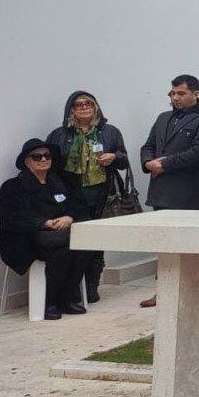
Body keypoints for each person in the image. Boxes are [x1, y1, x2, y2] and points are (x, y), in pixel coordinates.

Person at [140, 73, 199, 314]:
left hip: (187, 191)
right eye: (172, 93)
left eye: (181, 93)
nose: (176, 98)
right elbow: (148, 146)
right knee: (163, 245)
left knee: (186, 244)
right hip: (160, 190)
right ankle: (163, 290)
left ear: (195, 94)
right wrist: (148, 163)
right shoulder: (163, 118)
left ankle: (189, 289)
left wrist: (165, 164)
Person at [46, 91, 128, 303]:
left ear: (96, 107)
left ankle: (92, 285)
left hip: (101, 193)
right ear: (71, 109)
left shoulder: (110, 132)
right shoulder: (59, 134)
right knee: (74, 240)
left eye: (88, 104)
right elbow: (50, 165)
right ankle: (71, 286)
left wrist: (114, 157)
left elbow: (124, 159)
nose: (83, 107)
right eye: (78, 105)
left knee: (96, 240)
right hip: (71, 194)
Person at [0, 140, 90, 319]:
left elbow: (79, 206)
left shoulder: (61, 181)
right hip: (25, 240)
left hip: (61, 234)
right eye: (37, 156)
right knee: (61, 251)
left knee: (82, 247)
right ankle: (50, 302)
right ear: (27, 162)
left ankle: (69, 298)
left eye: (47, 156)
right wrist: (44, 223)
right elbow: (9, 219)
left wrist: (69, 217)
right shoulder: (13, 187)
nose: (43, 159)